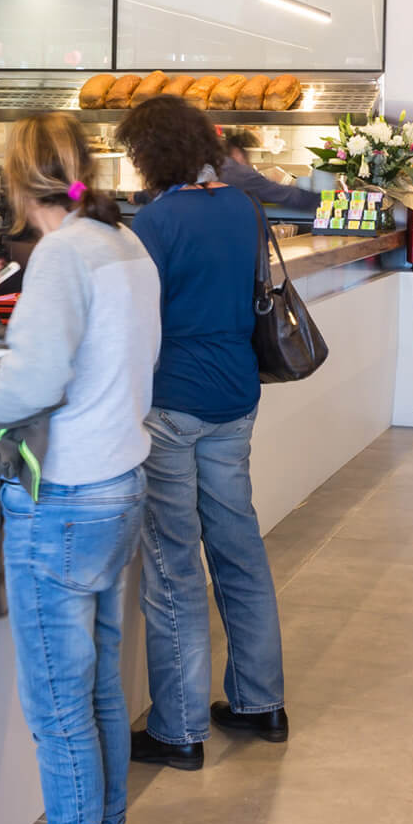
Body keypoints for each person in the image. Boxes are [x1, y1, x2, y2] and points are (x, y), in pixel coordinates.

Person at [0, 112, 160, 824]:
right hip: (120, 482)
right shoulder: (125, 243)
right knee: (100, 693)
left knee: (58, 711)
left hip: (63, 500)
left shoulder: (61, 255)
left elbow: (34, 382)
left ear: (20, 179)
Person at [114, 96, 290, 772]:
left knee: (173, 564)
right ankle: (259, 702)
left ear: (151, 154)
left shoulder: (154, 222)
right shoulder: (244, 209)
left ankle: (180, 728)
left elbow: (137, 317)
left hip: (171, 405)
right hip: (235, 398)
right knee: (239, 547)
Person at [216, 128, 322, 212]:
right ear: (237, 153)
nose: (249, 163)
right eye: (247, 156)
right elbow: (284, 194)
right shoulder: (237, 173)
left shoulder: (214, 167)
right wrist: (325, 200)